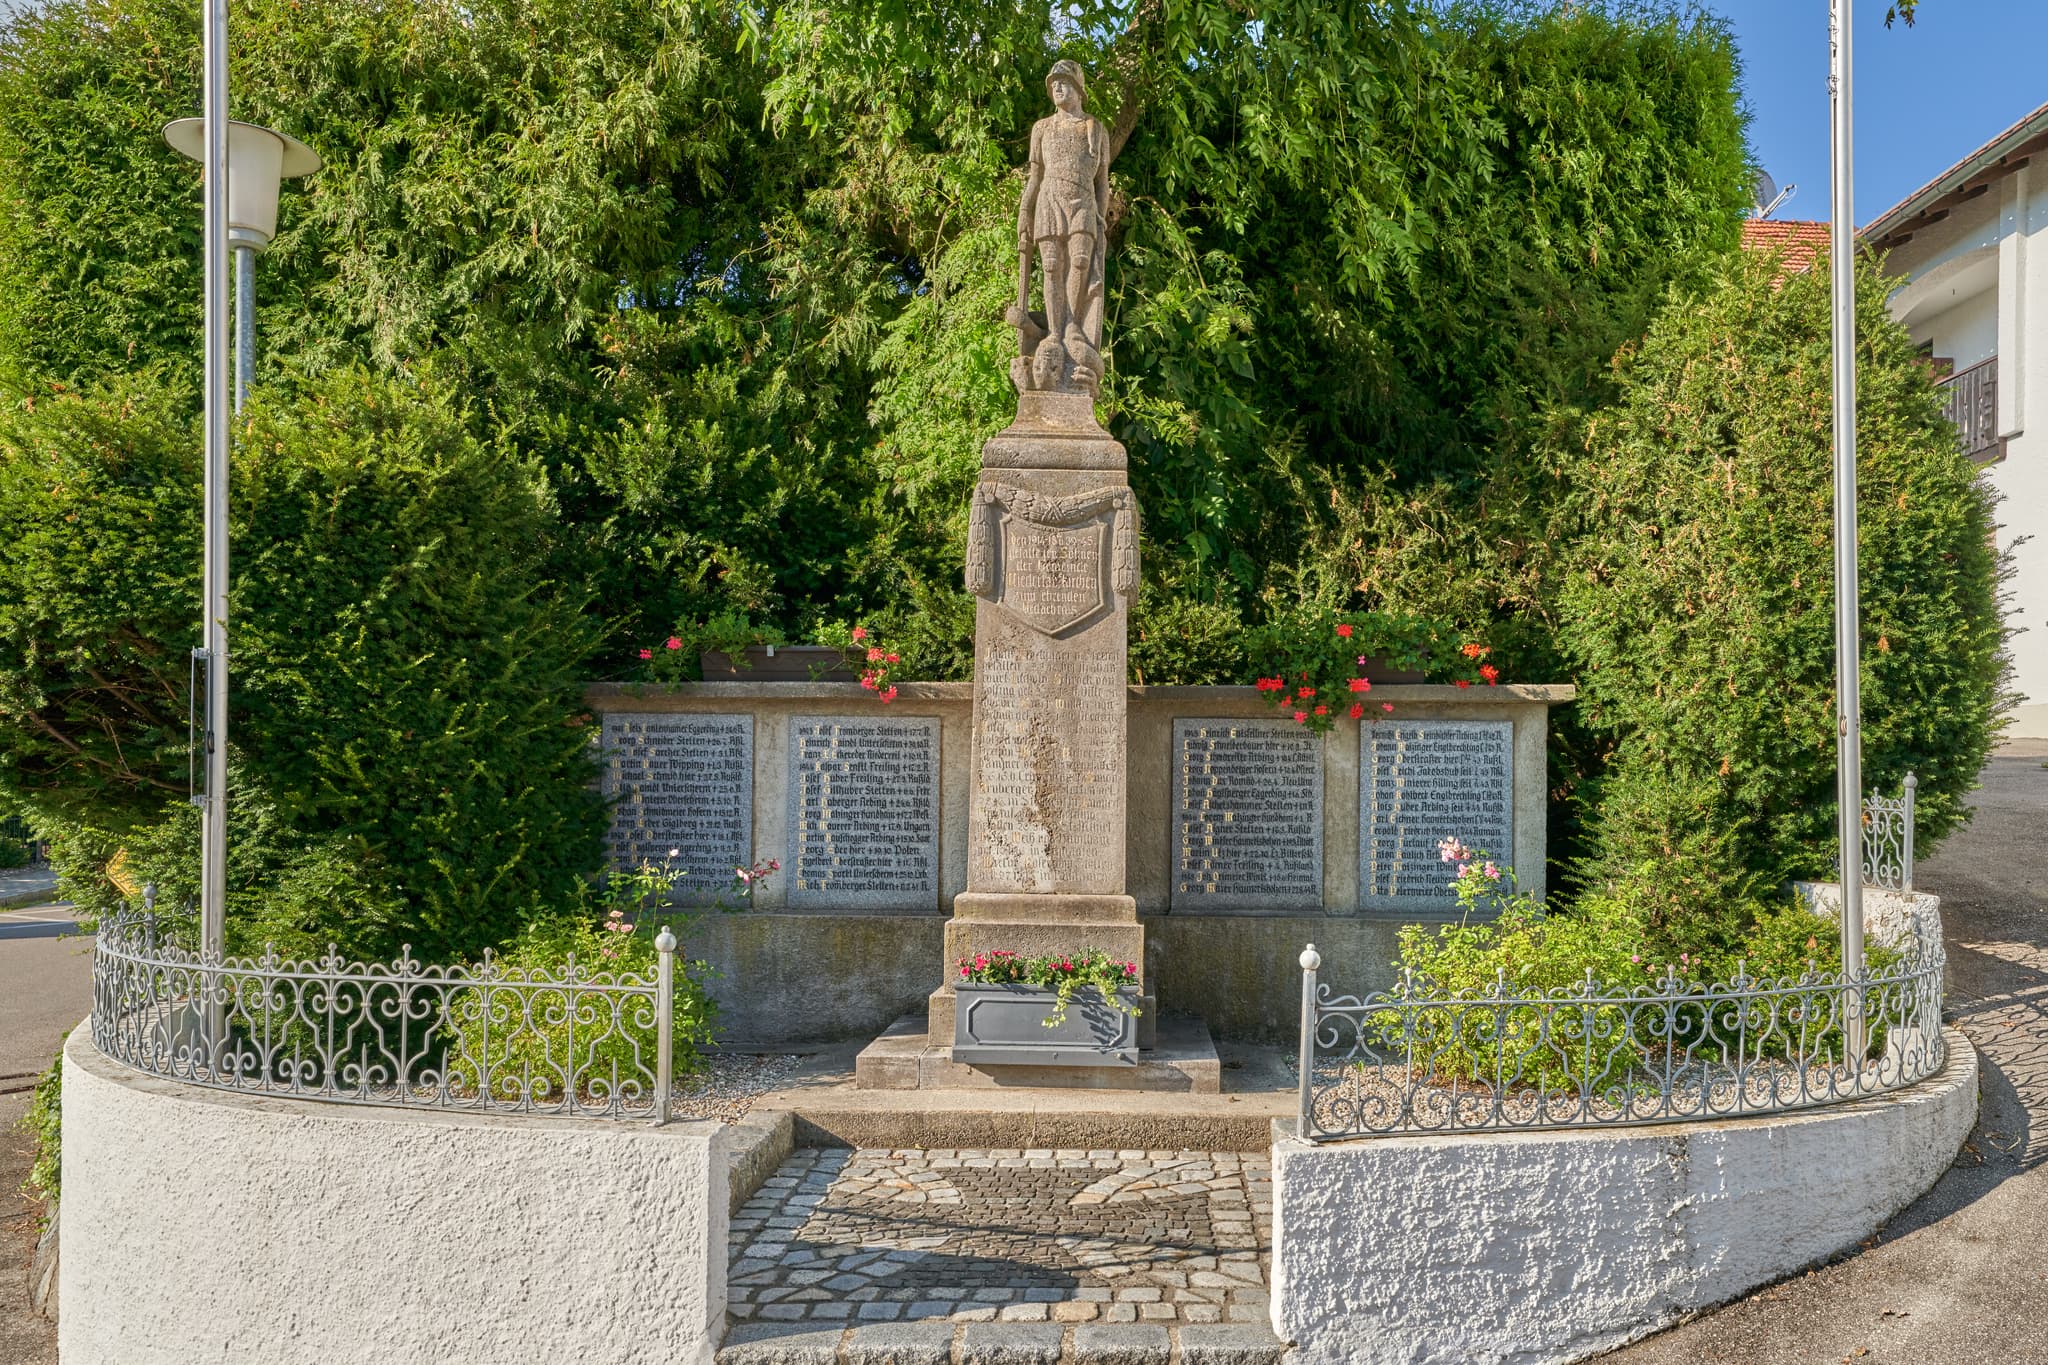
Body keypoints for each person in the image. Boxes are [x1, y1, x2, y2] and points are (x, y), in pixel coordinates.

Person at [1015, 59, 1110, 394]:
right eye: (1053, 82)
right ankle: (1055, 330)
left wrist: (1102, 216)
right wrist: (1024, 211)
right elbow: (1034, 178)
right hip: (1050, 198)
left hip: (1083, 201)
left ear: (1079, 89)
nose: (1057, 86)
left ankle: (1072, 325)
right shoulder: (1042, 128)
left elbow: (1102, 183)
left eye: (1064, 81)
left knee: (1081, 263)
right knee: (1052, 266)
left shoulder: (1095, 129)